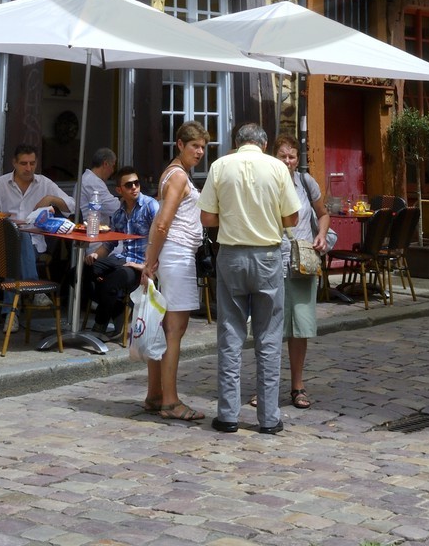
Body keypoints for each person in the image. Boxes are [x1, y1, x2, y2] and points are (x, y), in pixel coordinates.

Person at [199, 121, 300, 435]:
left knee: (230, 336)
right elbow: (292, 217)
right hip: (267, 256)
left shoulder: (219, 166)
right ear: (265, 144)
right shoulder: (276, 168)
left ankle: (228, 415)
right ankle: (269, 418)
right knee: (269, 338)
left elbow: (207, 217)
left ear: (237, 141)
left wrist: (234, 216)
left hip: (231, 253)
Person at [140, 120, 210, 421]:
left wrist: (151, 260)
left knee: (161, 326)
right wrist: (149, 263)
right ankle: (171, 401)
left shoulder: (172, 173)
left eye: (203, 148)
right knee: (175, 330)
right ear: (180, 144)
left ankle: (155, 394)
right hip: (177, 254)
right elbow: (163, 222)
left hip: (173, 254)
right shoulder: (179, 176)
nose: (200, 152)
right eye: (194, 146)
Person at [0, 144, 74, 325]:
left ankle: (11, 314)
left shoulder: (44, 183)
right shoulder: (1, 184)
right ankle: (36, 290)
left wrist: (51, 199)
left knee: (22, 240)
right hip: (5, 242)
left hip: (34, 245)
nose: (28, 168)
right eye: (24, 163)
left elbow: (71, 205)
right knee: (17, 237)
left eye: (32, 163)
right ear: (14, 163)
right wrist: (5, 221)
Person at [272, 134, 329, 409]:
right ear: (274, 157)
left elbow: (323, 213)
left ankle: (297, 386)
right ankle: (267, 385)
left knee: (299, 327)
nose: (287, 160)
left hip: (303, 261)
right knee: (270, 326)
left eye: (291, 156)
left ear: (298, 158)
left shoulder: (306, 182)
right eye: (282, 155)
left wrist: (322, 234)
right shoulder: (267, 182)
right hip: (273, 259)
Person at [83, 165, 157, 337]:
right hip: (122, 259)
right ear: (119, 189)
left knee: (113, 281)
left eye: (136, 183)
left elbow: (163, 238)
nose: (134, 188)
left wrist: (146, 266)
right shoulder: (118, 214)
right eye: (129, 185)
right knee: (80, 273)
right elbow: (110, 244)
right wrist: (96, 255)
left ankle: (100, 325)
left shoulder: (150, 206)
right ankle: (117, 308)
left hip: (140, 265)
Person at [80, 148, 120, 222]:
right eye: (113, 166)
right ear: (105, 164)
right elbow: (113, 208)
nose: (112, 171)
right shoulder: (92, 181)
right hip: (91, 229)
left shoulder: (89, 178)